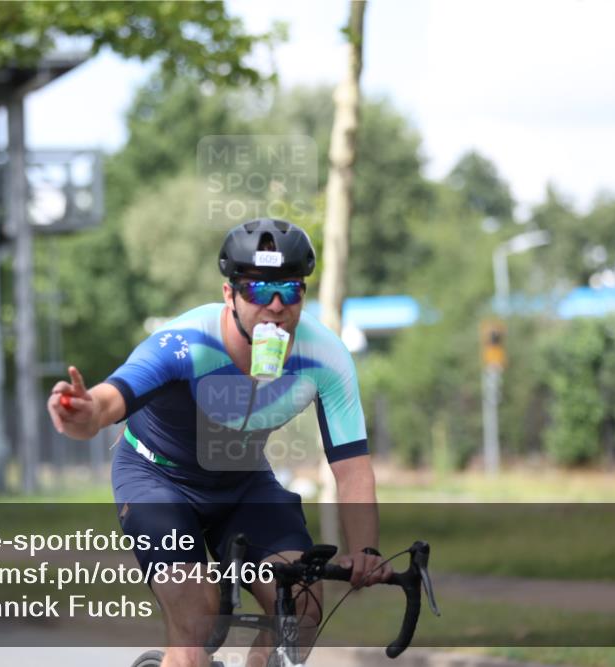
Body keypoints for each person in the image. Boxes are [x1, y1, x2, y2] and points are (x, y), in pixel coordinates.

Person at [47, 218, 391, 667]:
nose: (275, 306)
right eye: (257, 290)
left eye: (289, 290)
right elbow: (106, 403)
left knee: (301, 606)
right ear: (229, 294)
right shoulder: (186, 343)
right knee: (197, 621)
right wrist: (83, 414)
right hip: (158, 480)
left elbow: (352, 467)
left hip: (243, 481)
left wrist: (365, 550)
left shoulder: (324, 356)